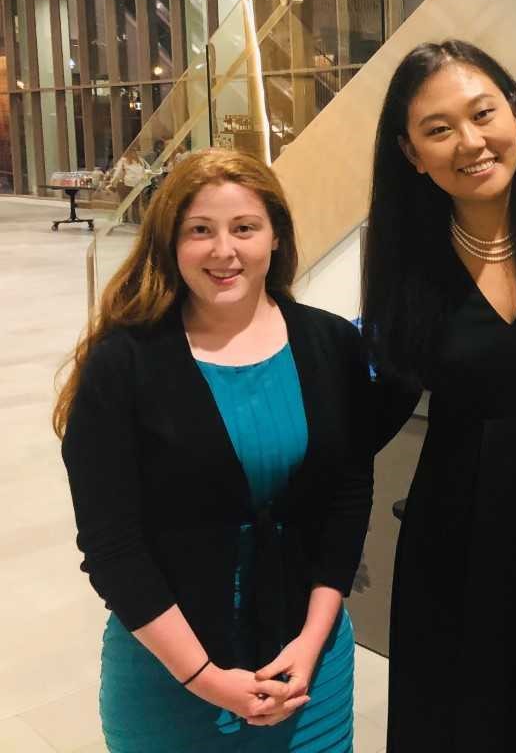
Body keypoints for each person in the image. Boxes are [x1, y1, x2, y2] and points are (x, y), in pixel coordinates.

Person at [54, 148, 373, 752]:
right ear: (169, 244)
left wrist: (310, 645)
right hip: (171, 666)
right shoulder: (124, 365)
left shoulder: (329, 344)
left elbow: (348, 498)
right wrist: (205, 679)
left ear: (275, 236)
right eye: (200, 230)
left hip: (308, 662)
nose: (224, 251)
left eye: (244, 228)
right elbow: (111, 545)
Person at [360, 40, 516, 751]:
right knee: (452, 720)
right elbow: (380, 394)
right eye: (438, 130)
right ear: (411, 152)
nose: (470, 142)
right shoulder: (405, 250)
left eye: (483, 114)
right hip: (454, 524)